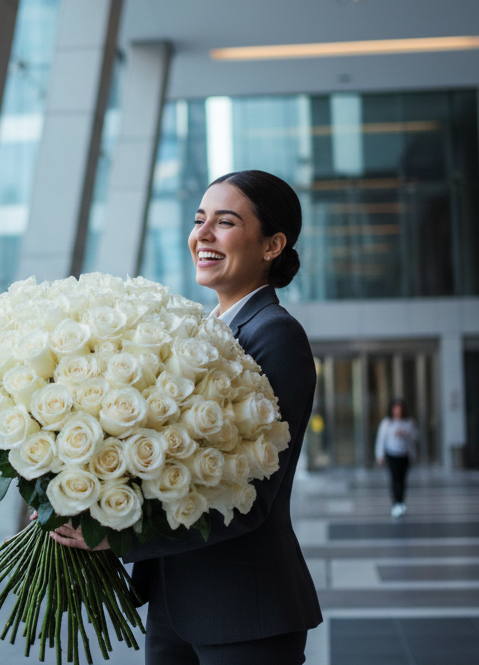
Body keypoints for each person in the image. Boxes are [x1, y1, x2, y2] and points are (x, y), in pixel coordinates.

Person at [50, 170, 321, 664]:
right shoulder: (201, 332)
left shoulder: (274, 335)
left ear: (272, 245)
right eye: (199, 220)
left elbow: (253, 497)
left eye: (225, 221)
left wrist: (121, 535)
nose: (203, 235)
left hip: (243, 610)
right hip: (177, 605)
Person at [375, 398, 418, 518]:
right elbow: (381, 440)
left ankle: (401, 501)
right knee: (394, 478)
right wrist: (380, 455)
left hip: (404, 455)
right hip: (392, 454)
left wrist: (405, 434)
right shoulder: (387, 423)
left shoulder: (408, 422)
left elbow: (415, 437)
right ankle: (396, 503)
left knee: (402, 479)